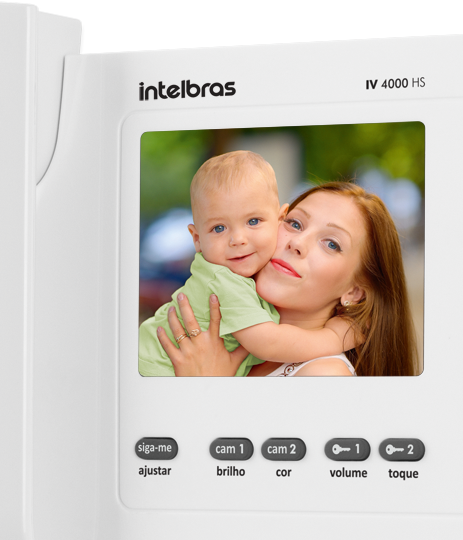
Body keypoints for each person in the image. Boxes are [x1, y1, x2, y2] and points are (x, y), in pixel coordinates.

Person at [158, 182, 417, 377]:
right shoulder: (233, 335)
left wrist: (206, 387)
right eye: (294, 224)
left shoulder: (324, 376)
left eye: (331, 244)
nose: (297, 243)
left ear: (355, 292)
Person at [138, 152, 354, 377]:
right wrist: (335, 337)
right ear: (197, 239)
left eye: (253, 221)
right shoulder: (224, 281)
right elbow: (269, 342)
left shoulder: (324, 373)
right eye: (219, 228)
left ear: (279, 219)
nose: (238, 239)